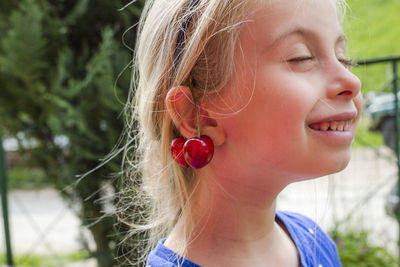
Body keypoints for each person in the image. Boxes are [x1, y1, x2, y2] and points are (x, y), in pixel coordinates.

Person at [124, 0, 363, 266]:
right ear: (196, 114)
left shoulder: (314, 243)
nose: (352, 81)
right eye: (301, 57)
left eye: (344, 59)